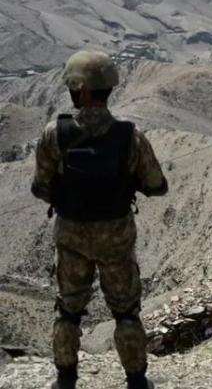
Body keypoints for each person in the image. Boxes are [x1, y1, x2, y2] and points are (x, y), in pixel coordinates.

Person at [31, 50, 168, 389]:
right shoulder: (130, 136)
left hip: (71, 235)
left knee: (68, 311)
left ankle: (65, 381)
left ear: (78, 90)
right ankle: (136, 381)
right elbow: (157, 185)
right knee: (125, 312)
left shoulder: (54, 133)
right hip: (116, 237)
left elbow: (40, 187)